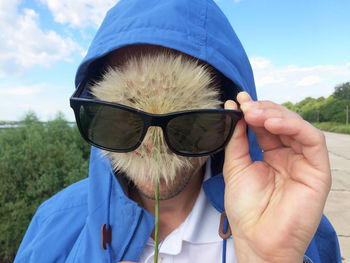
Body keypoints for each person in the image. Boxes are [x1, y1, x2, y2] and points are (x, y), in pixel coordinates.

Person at [15, 0, 341, 262]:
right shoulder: (53, 225)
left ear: (231, 115)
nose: (152, 143)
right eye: (126, 115)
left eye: (186, 123)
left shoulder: (296, 227)